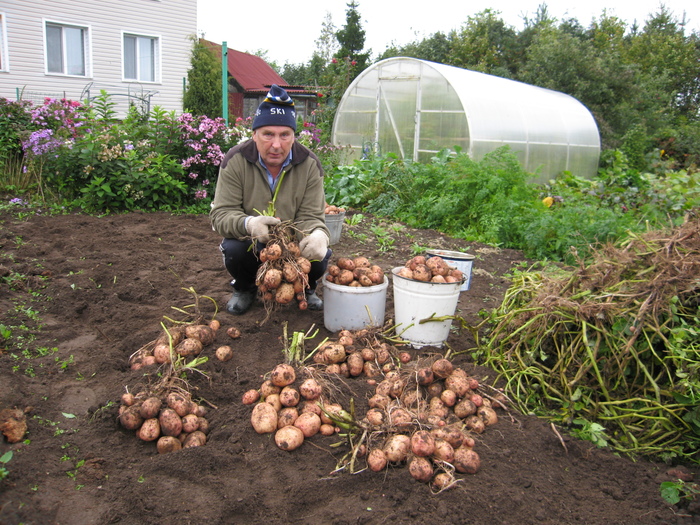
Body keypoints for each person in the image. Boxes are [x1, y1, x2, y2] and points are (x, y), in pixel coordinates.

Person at [210, 85, 331, 315]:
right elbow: (220, 215)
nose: (277, 144)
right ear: (254, 134)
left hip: (292, 246)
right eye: (268, 134)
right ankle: (245, 288)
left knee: (320, 252)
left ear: (294, 135)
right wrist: (249, 224)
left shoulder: (309, 164)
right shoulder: (236, 160)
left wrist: (318, 234)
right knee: (235, 249)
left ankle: (306, 288)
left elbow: (311, 216)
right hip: (254, 242)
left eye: (285, 135)